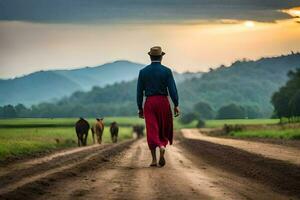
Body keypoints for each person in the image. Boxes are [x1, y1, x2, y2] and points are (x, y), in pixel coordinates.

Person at [136, 46, 180, 167]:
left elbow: (139, 92)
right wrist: (176, 104)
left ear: (150, 57)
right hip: (163, 102)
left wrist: (140, 108)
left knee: (152, 129)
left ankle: (154, 160)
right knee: (162, 128)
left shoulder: (143, 72)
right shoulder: (167, 71)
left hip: (149, 103)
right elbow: (172, 90)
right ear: (161, 57)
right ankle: (162, 146)